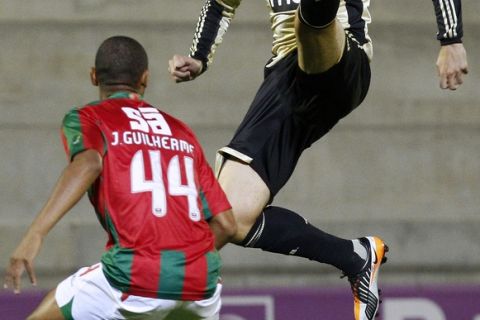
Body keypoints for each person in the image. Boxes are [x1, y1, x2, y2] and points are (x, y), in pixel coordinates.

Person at [168, 0, 468, 319]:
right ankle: (356, 256)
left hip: (343, 59)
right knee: (231, 217)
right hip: (286, 81)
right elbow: (220, 6)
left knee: (311, 24)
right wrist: (200, 56)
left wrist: (451, 39)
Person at [4, 35, 236, 320]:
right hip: (203, 287)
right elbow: (226, 224)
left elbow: (88, 163)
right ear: (145, 79)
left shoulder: (89, 117)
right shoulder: (182, 132)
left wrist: (34, 235)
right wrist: (182, 265)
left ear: (93, 76)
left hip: (132, 279)